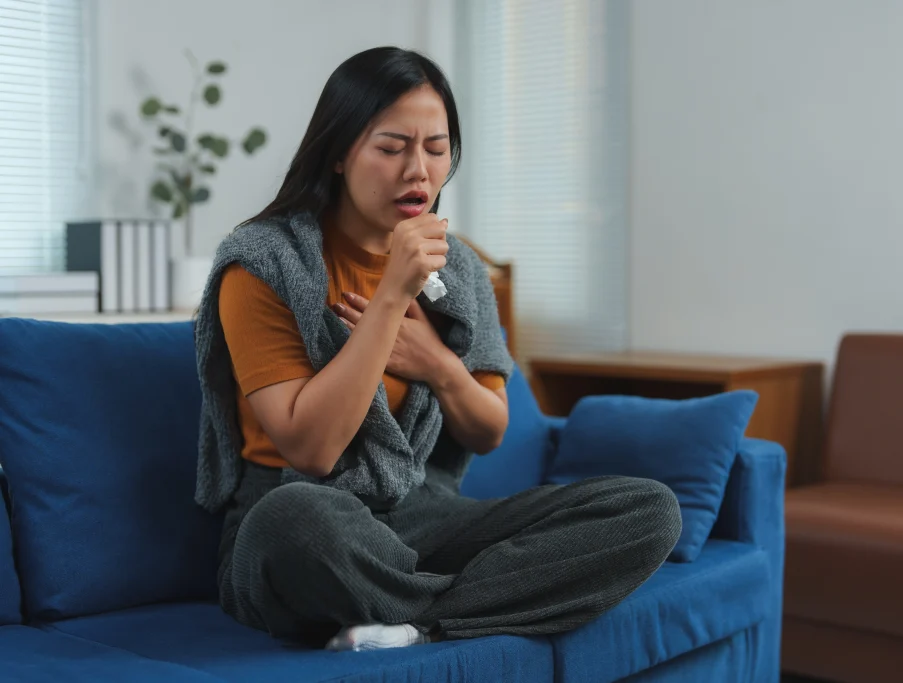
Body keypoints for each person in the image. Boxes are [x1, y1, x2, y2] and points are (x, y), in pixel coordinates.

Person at [192, 46, 681, 653]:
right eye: (392, 148)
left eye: (436, 148)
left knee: (648, 509)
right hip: (305, 516)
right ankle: (469, 602)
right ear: (338, 153)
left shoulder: (462, 270)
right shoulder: (262, 264)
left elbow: (489, 430)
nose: (418, 171)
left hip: (420, 512)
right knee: (292, 520)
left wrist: (438, 366)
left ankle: (413, 621)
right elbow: (312, 452)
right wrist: (392, 294)